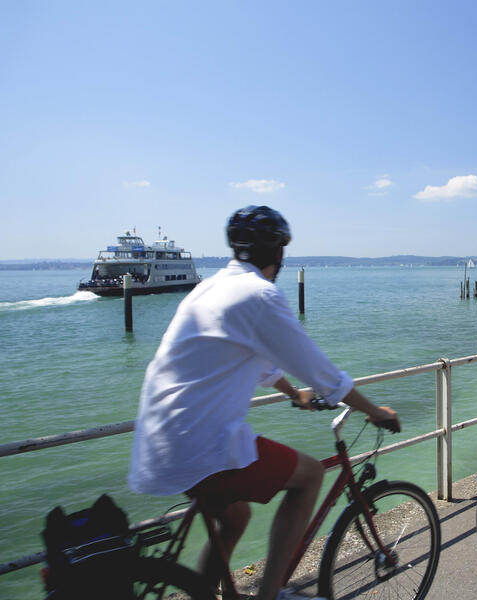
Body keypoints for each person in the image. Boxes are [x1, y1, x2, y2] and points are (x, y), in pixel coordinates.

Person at [128, 205, 399, 600]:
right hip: (198, 442)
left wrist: (294, 395)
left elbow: (258, 363)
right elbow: (321, 371)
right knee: (309, 475)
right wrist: (374, 411)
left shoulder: (212, 286)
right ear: (278, 251)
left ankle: (203, 592)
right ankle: (270, 593)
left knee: (236, 516)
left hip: (160, 437)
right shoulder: (260, 294)